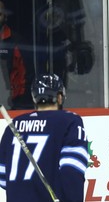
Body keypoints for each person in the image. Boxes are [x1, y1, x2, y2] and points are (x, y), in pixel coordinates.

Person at [0, 74, 89, 202]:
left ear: (34, 98)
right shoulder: (69, 121)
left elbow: (3, 177)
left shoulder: (14, 126)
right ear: (59, 97)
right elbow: (72, 172)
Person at [0, 0, 34, 109]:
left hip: (11, 106)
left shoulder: (17, 42)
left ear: (5, 16)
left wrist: (17, 105)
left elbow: (27, 78)